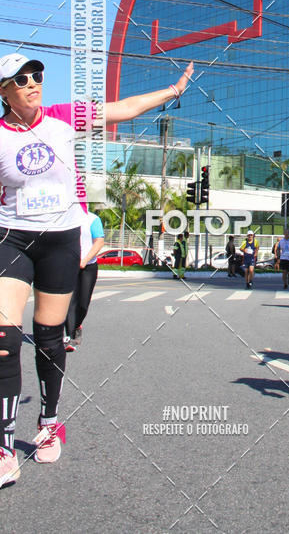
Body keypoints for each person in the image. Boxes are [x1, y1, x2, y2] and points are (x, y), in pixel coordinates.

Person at [0, 51, 193, 482]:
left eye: (36, 75)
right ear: (4, 92)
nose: (33, 82)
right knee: (3, 339)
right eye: (21, 79)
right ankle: (4, 445)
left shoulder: (64, 116)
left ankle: (49, 424)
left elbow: (121, 108)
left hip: (61, 241)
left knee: (49, 336)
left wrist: (172, 91)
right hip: (11, 237)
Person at [64, 211, 105, 352]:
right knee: (70, 302)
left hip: (88, 266)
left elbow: (99, 242)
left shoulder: (93, 219)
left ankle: (77, 325)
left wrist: (85, 260)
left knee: (83, 304)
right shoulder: (65, 216)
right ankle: (70, 337)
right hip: (69, 265)